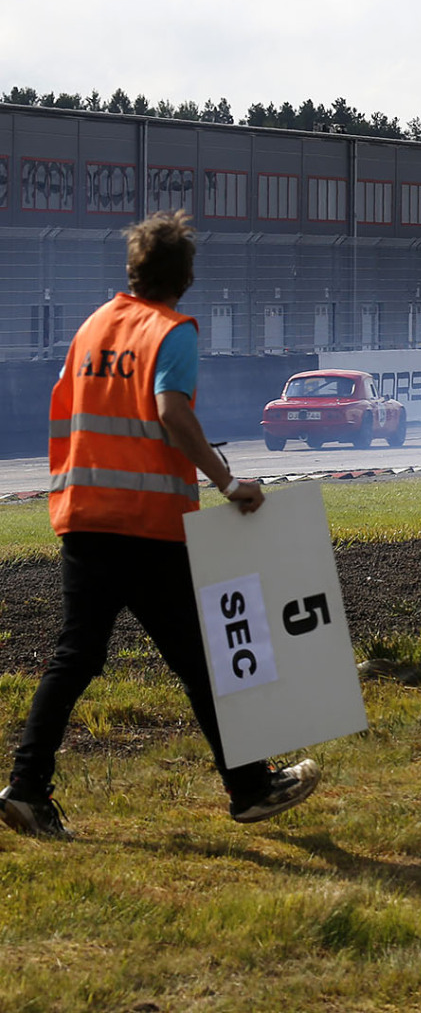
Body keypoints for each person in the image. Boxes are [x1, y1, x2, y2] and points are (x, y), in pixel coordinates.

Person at [1, 212, 320, 840]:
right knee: (201, 659)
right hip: (145, 523)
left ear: (133, 269)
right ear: (186, 277)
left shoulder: (92, 327)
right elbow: (171, 412)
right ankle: (249, 788)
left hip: (83, 515)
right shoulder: (171, 333)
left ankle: (27, 788)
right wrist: (226, 482)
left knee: (76, 655)